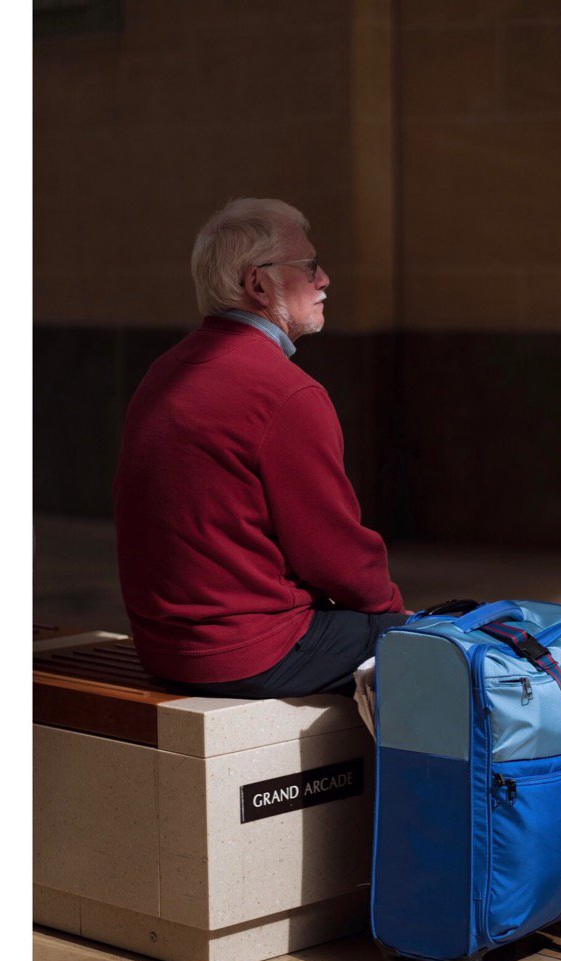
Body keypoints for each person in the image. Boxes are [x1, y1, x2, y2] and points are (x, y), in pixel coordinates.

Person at [113, 197, 407, 699]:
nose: (324, 280)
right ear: (258, 284)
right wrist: (396, 616)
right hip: (250, 650)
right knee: (450, 652)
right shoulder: (284, 391)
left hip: (166, 648)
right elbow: (335, 554)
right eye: (309, 266)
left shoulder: (166, 370)